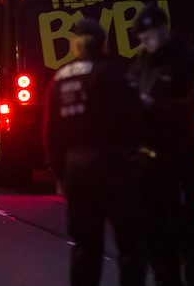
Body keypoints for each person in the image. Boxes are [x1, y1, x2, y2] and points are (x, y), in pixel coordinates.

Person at [44, 18, 146, 286]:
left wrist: (60, 173)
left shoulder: (60, 78)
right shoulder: (114, 73)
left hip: (77, 169)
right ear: (104, 44)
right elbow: (134, 117)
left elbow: (52, 131)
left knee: (86, 244)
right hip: (115, 166)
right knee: (130, 243)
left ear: (75, 46)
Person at [131, 4, 194, 286]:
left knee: (185, 226)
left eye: (149, 36)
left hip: (177, 158)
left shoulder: (189, 61)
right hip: (146, 163)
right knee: (155, 233)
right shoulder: (141, 62)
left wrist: (154, 107)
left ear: (163, 29)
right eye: (141, 38)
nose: (145, 42)